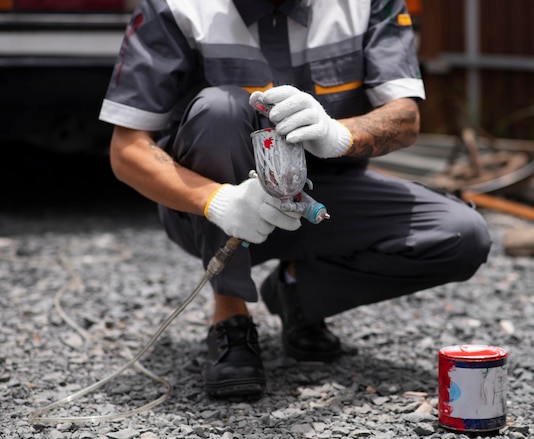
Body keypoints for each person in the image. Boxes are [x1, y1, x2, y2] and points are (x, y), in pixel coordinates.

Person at [98, 0, 492, 400]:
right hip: (214, 206)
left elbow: (405, 119)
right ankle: (230, 316)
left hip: (324, 200)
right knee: (219, 108)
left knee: (461, 235)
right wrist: (217, 200)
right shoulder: (175, 7)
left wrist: (338, 135)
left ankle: (296, 295)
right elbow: (127, 149)